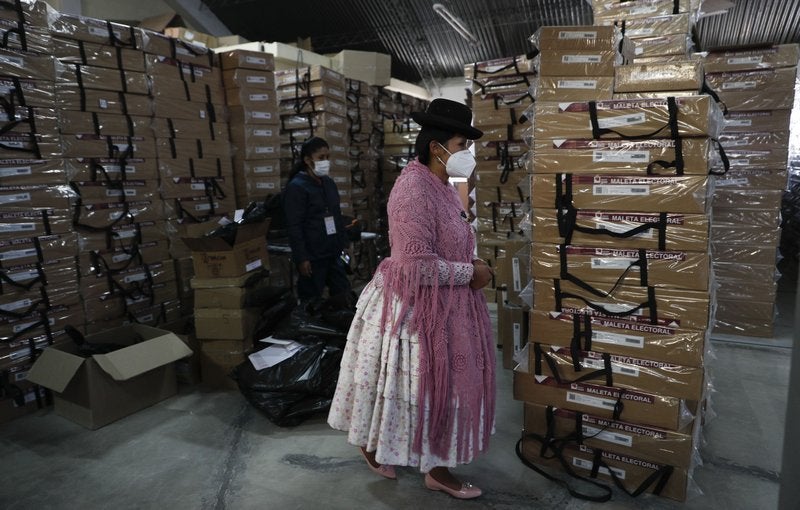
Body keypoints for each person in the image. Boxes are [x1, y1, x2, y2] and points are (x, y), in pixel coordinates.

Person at [327, 99, 495, 499]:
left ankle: (427, 462)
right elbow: (415, 267)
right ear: (437, 146)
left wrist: (471, 261)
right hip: (414, 308)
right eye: (461, 145)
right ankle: (429, 466)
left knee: (430, 390)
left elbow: (451, 239)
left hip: (449, 303)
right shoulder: (412, 189)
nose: (466, 155)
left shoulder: (443, 185)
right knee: (426, 388)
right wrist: (471, 273)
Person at [283, 137, 351, 302]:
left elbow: (336, 215)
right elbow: (294, 226)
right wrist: (302, 258)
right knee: (311, 301)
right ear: (307, 160)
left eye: (328, 157)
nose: (325, 161)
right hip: (313, 256)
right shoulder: (297, 187)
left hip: (333, 252)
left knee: (343, 295)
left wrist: (343, 245)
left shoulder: (328, 183)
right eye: (321, 158)